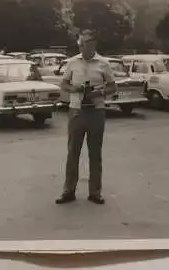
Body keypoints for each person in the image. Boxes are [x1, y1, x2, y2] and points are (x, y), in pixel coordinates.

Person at [55, 29, 117, 205]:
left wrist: (100, 92)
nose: (81, 46)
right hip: (76, 111)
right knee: (72, 152)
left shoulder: (103, 63)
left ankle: (95, 192)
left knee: (95, 153)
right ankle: (68, 191)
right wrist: (74, 89)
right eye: (79, 43)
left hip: (96, 111)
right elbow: (64, 84)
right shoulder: (73, 62)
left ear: (93, 44)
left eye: (84, 43)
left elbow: (113, 88)